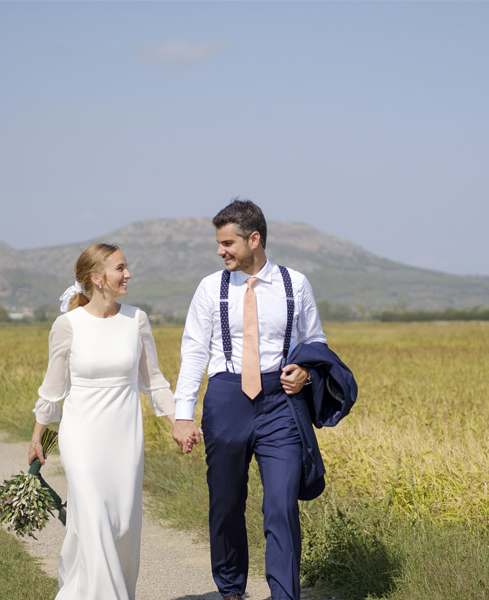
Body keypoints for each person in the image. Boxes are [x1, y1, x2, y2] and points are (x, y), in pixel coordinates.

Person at [171, 199, 326, 600]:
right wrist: (183, 415)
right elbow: (193, 352)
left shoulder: (296, 284)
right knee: (226, 502)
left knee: (281, 504)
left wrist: (307, 371)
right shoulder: (210, 288)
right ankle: (231, 590)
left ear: (253, 239)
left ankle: (284, 595)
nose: (220, 251)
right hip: (226, 398)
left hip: (281, 404)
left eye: (227, 243)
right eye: (219, 243)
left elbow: (316, 342)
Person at [27, 242, 177, 600]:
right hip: (82, 437)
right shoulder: (68, 325)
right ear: (96, 278)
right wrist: (37, 437)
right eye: (120, 269)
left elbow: (153, 380)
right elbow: (53, 388)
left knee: (122, 524)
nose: (128, 275)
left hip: (124, 435)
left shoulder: (136, 320)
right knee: (93, 516)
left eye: (126, 267)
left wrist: (177, 422)